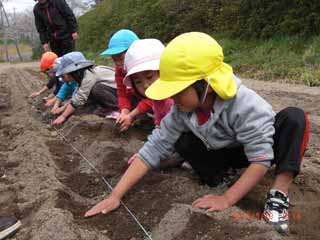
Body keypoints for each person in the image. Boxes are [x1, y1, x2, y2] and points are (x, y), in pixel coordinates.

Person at [85, 32, 309, 234]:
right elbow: (152, 149)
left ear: (206, 85)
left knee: (294, 117)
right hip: (228, 150)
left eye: (178, 91)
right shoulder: (182, 110)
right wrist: (115, 196)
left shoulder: (244, 105)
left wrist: (227, 199)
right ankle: (225, 176)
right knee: (182, 141)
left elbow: (261, 158)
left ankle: (279, 191)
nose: (172, 99)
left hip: (264, 146)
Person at [100, 29, 153, 132]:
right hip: (140, 97)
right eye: (115, 60)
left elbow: (155, 97)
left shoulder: (148, 67)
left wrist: (132, 115)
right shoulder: (119, 70)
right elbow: (122, 93)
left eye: (121, 58)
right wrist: (124, 112)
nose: (118, 63)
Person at [52, 52, 117, 125]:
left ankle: (116, 108)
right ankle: (106, 107)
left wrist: (63, 116)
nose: (63, 79)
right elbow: (77, 95)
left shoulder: (89, 76)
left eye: (64, 75)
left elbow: (79, 99)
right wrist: (63, 108)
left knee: (96, 89)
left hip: (118, 93)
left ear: (73, 72)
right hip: (113, 92)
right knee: (89, 94)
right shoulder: (84, 76)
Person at [122, 38, 173, 128]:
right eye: (138, 82)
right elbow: (159, 125)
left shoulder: (173, 100)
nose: (145, 85)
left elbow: (173, 130)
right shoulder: (157, 99)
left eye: (149, 77)